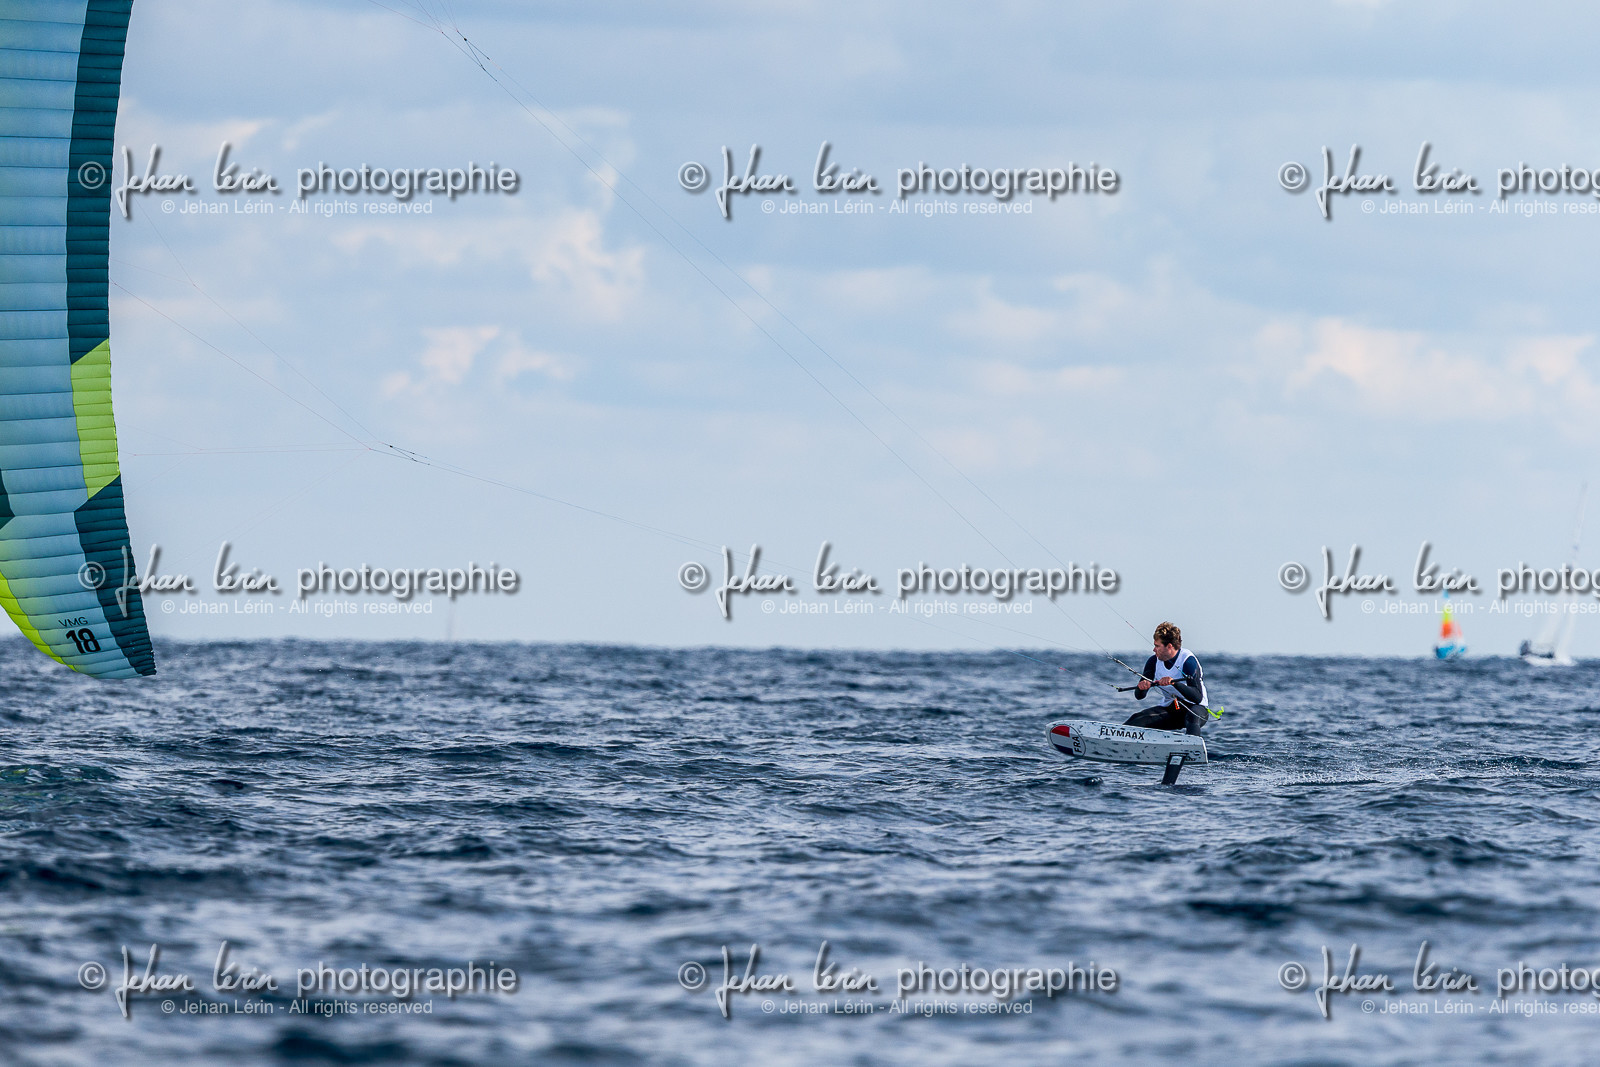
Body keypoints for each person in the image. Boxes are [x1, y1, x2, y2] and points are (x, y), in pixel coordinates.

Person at [1124, 622, 1209, 735]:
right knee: (1136, 719)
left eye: (1157, 646)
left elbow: (1197, 697)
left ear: (1169, 646)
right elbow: (1139, 696)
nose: (1154, 650)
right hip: (1172, 709)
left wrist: (1174, 683)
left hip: (1197, 710)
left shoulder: (1188, 661)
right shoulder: (1153, 661)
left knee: (1192, 716)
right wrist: (1142, 687)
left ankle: (1192, 749)